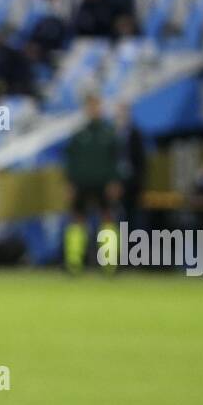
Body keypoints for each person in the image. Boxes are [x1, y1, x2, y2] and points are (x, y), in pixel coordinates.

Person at [63, 94, 121, 273]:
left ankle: (109, 262)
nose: (94, 110)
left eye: (96, 106)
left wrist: (114, 181)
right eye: (91, 106)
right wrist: (70, 183)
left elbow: (116, 160)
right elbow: (70, 160)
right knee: (78, 220)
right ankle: (74, 262)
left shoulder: (109, 133)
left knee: (107, 219)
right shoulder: (79, 134)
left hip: (103, 183)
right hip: (81, 183)